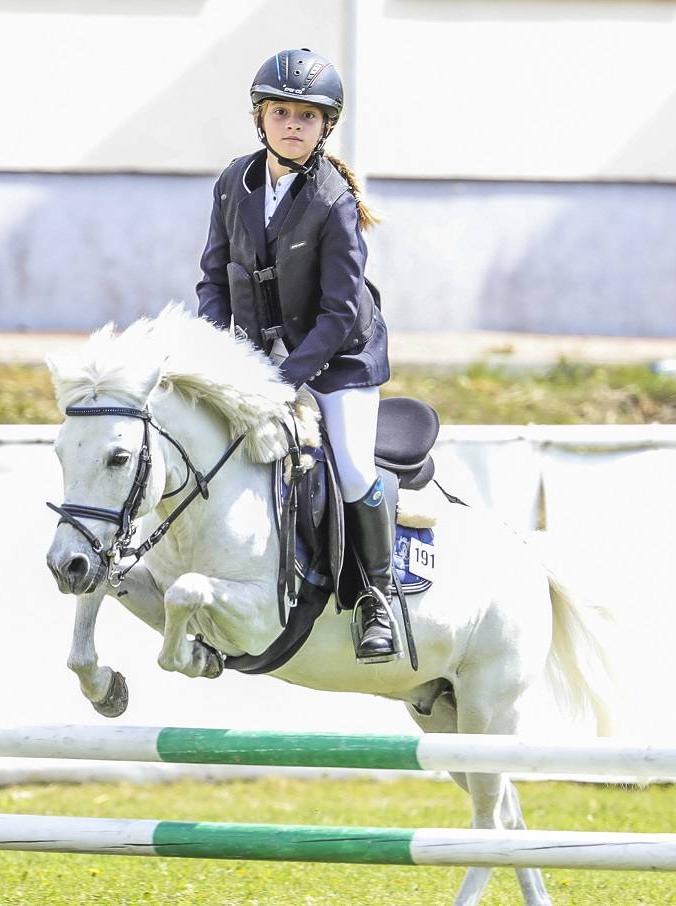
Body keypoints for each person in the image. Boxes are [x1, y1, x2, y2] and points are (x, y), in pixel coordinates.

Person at [195, 48, 397, 664]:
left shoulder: (334, 202)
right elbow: (213, 278)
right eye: (280, 112)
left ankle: (377, 598)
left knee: (353, 469)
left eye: (306, 116)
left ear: (325, 126)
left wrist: (282, 380)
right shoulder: (234, 183)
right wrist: (217, 355)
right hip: (262, 354)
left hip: (340, 357)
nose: (292, 125)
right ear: (260, 118)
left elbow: (339, 314)